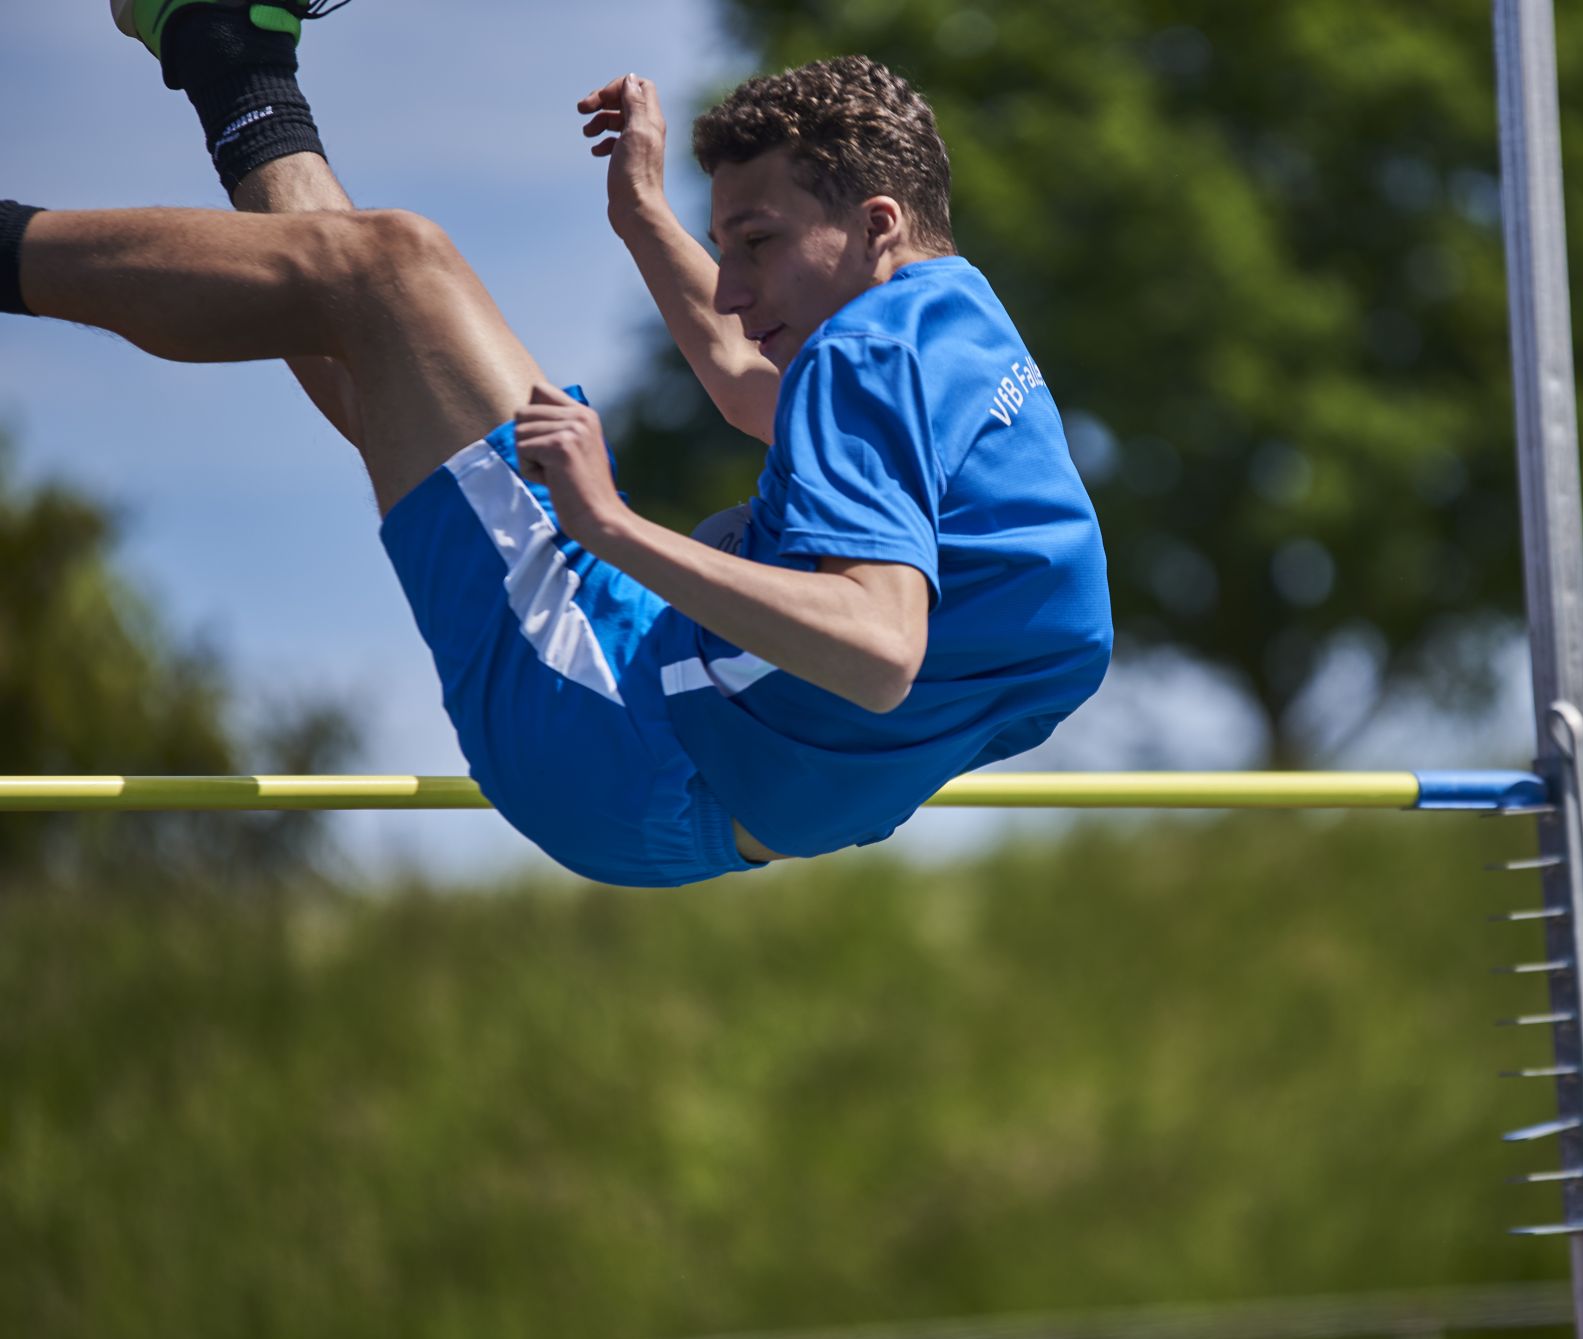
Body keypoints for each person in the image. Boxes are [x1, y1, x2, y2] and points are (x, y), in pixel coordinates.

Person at [0, 0, 1112, 886]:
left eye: (757, 242)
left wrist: (609, 524)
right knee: (396, 338)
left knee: (392, 270)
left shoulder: (863, 356)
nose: (730, 290)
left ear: (874, 223)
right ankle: (225, 51)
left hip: (610, 732)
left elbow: (878, 649)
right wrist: (641, 216)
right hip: (668, 728)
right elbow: (746, 386)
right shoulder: (950, 322)